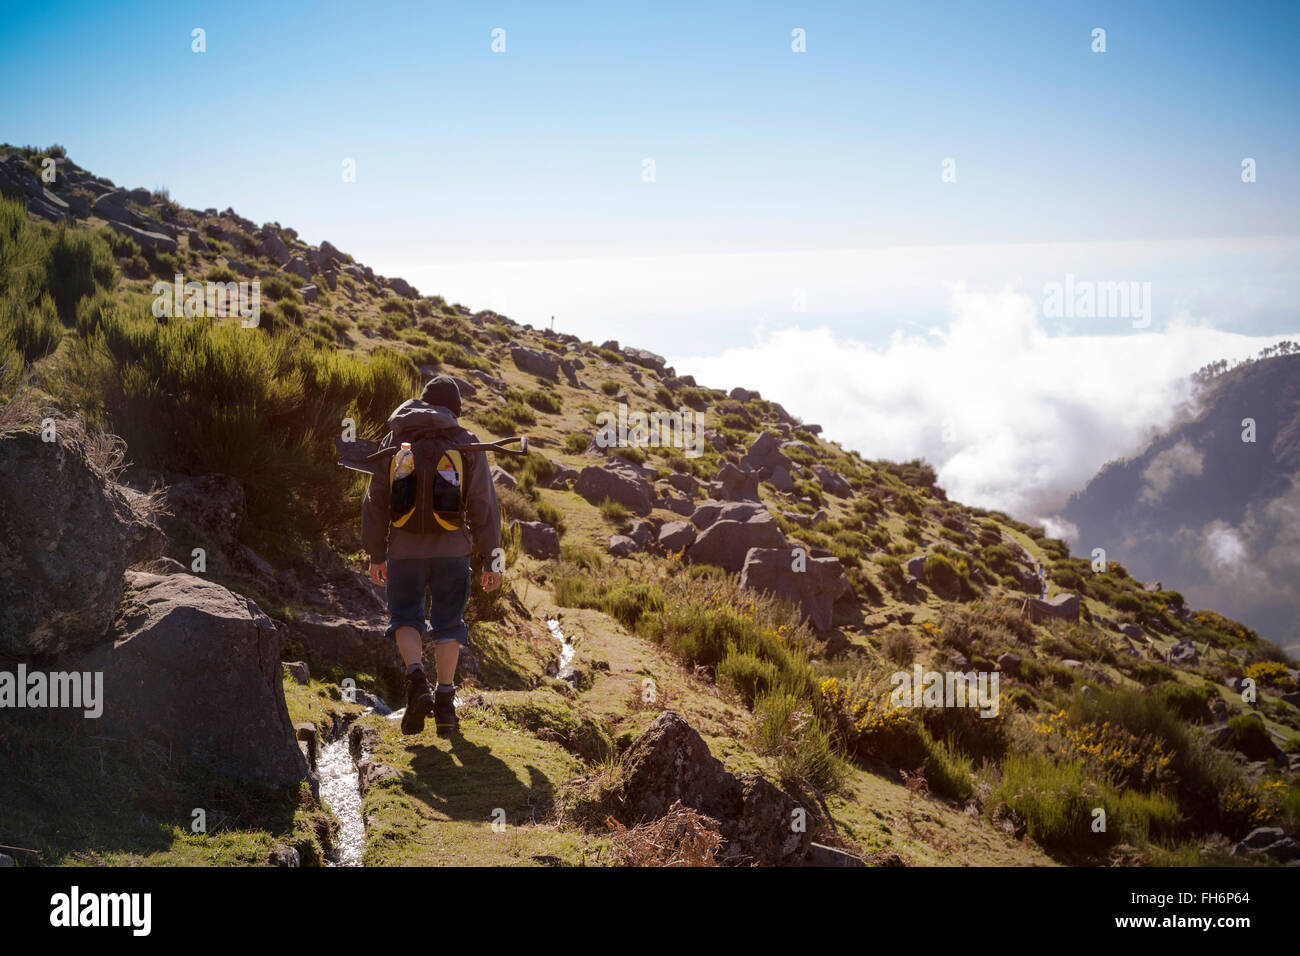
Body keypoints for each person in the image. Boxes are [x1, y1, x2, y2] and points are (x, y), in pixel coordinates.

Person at [361, 374, 501, 736]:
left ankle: (416, 680)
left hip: (403, 550)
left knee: (406, 617)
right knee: (448, 625)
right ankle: (444, 706)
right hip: (453, 551)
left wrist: (376, 553)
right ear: (453, 409)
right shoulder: (465, 442)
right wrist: (491, 560)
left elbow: (376, 501)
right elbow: (484, 505)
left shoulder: (395, 438)